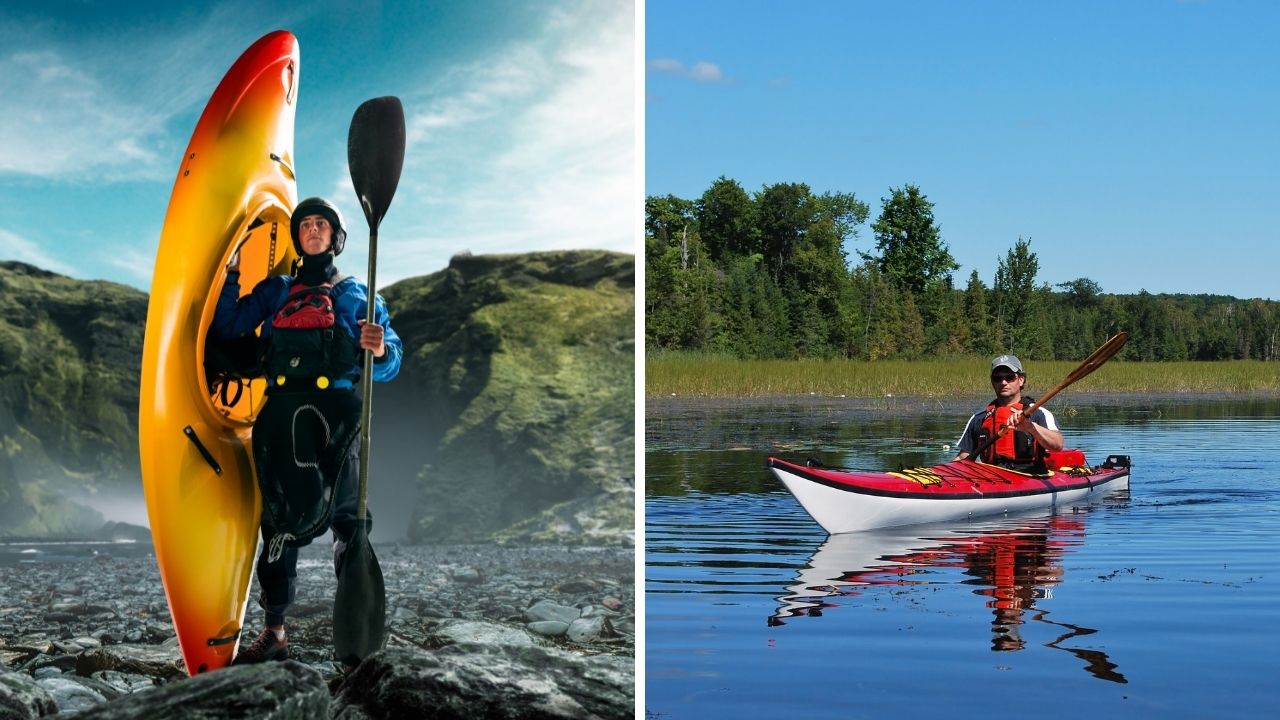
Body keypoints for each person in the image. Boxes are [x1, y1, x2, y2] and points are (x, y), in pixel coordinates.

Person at [210, 196, 402, 664]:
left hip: (336, 418)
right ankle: (274, 633)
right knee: (277, 523)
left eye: (322, 224)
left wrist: (378, 350)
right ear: (297, 236)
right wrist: (231, 274)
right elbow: (229, 326)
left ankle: (357, 643)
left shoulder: (359, 294)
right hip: (281, 415)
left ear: (336, 237)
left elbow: (391, 363)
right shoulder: (276, 290)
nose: (313, 230)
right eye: (306, 224)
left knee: (349, 522)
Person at [954, 354, 1063, 467]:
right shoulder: (979, 417)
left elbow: (1058, 445)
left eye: (1010, 377)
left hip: (1029, 476)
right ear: (992, 382)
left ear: (1021, 380)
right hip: (991, 478)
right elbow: (963, 457)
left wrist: (1031, 428)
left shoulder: (1038, 413)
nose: (1003, 382)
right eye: (998, 378)